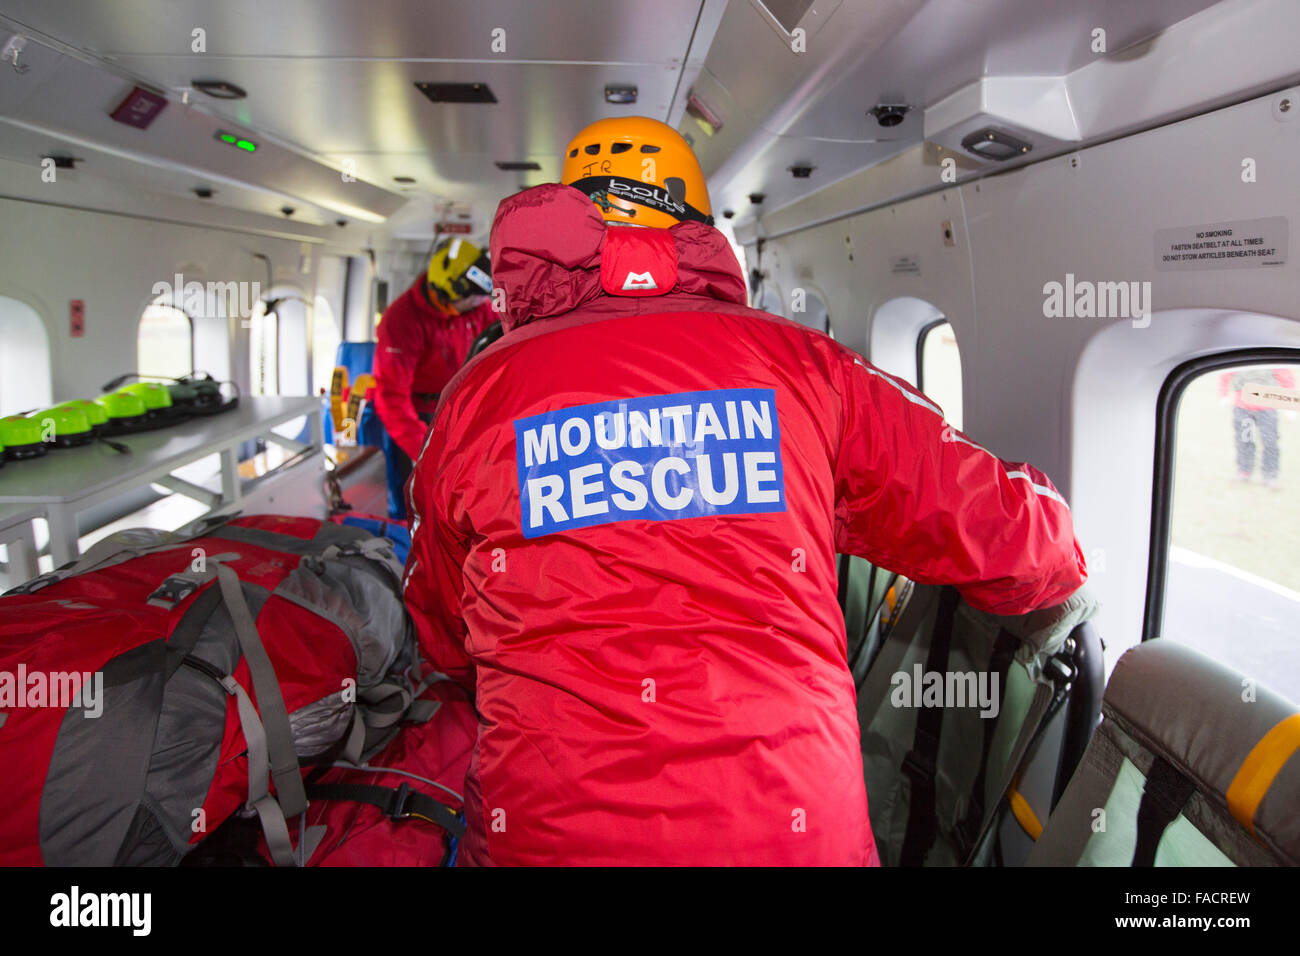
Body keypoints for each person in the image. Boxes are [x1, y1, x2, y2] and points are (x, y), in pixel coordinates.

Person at [403, 116, 1088, 865]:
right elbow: (1005, 530)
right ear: (696, 222)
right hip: (787, 829)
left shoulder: (479, 396)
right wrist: (1061, 548)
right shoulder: (804, 366)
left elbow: (441, 634)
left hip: (552, 835)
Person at [372, 237, 496, 518]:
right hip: (415, 419)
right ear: (445, 292)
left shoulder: (478, 308)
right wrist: (423, 452)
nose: (481, 302)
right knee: (420, 502)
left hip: (458, 412)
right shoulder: (401, 320)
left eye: (482, 296)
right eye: (473, 297)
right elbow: (391, 398)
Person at [1219, 367, 1294, 488]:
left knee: (1270, 442)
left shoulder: (1271, 358)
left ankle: (1270, 475)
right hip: (1243, 408)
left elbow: (1286, 378)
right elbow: (1226, 374)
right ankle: (1244, 471)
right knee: (1245, 440)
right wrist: (1224, 395)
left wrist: (1289, 407)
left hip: (1267, 409)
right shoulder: (1240, 357)